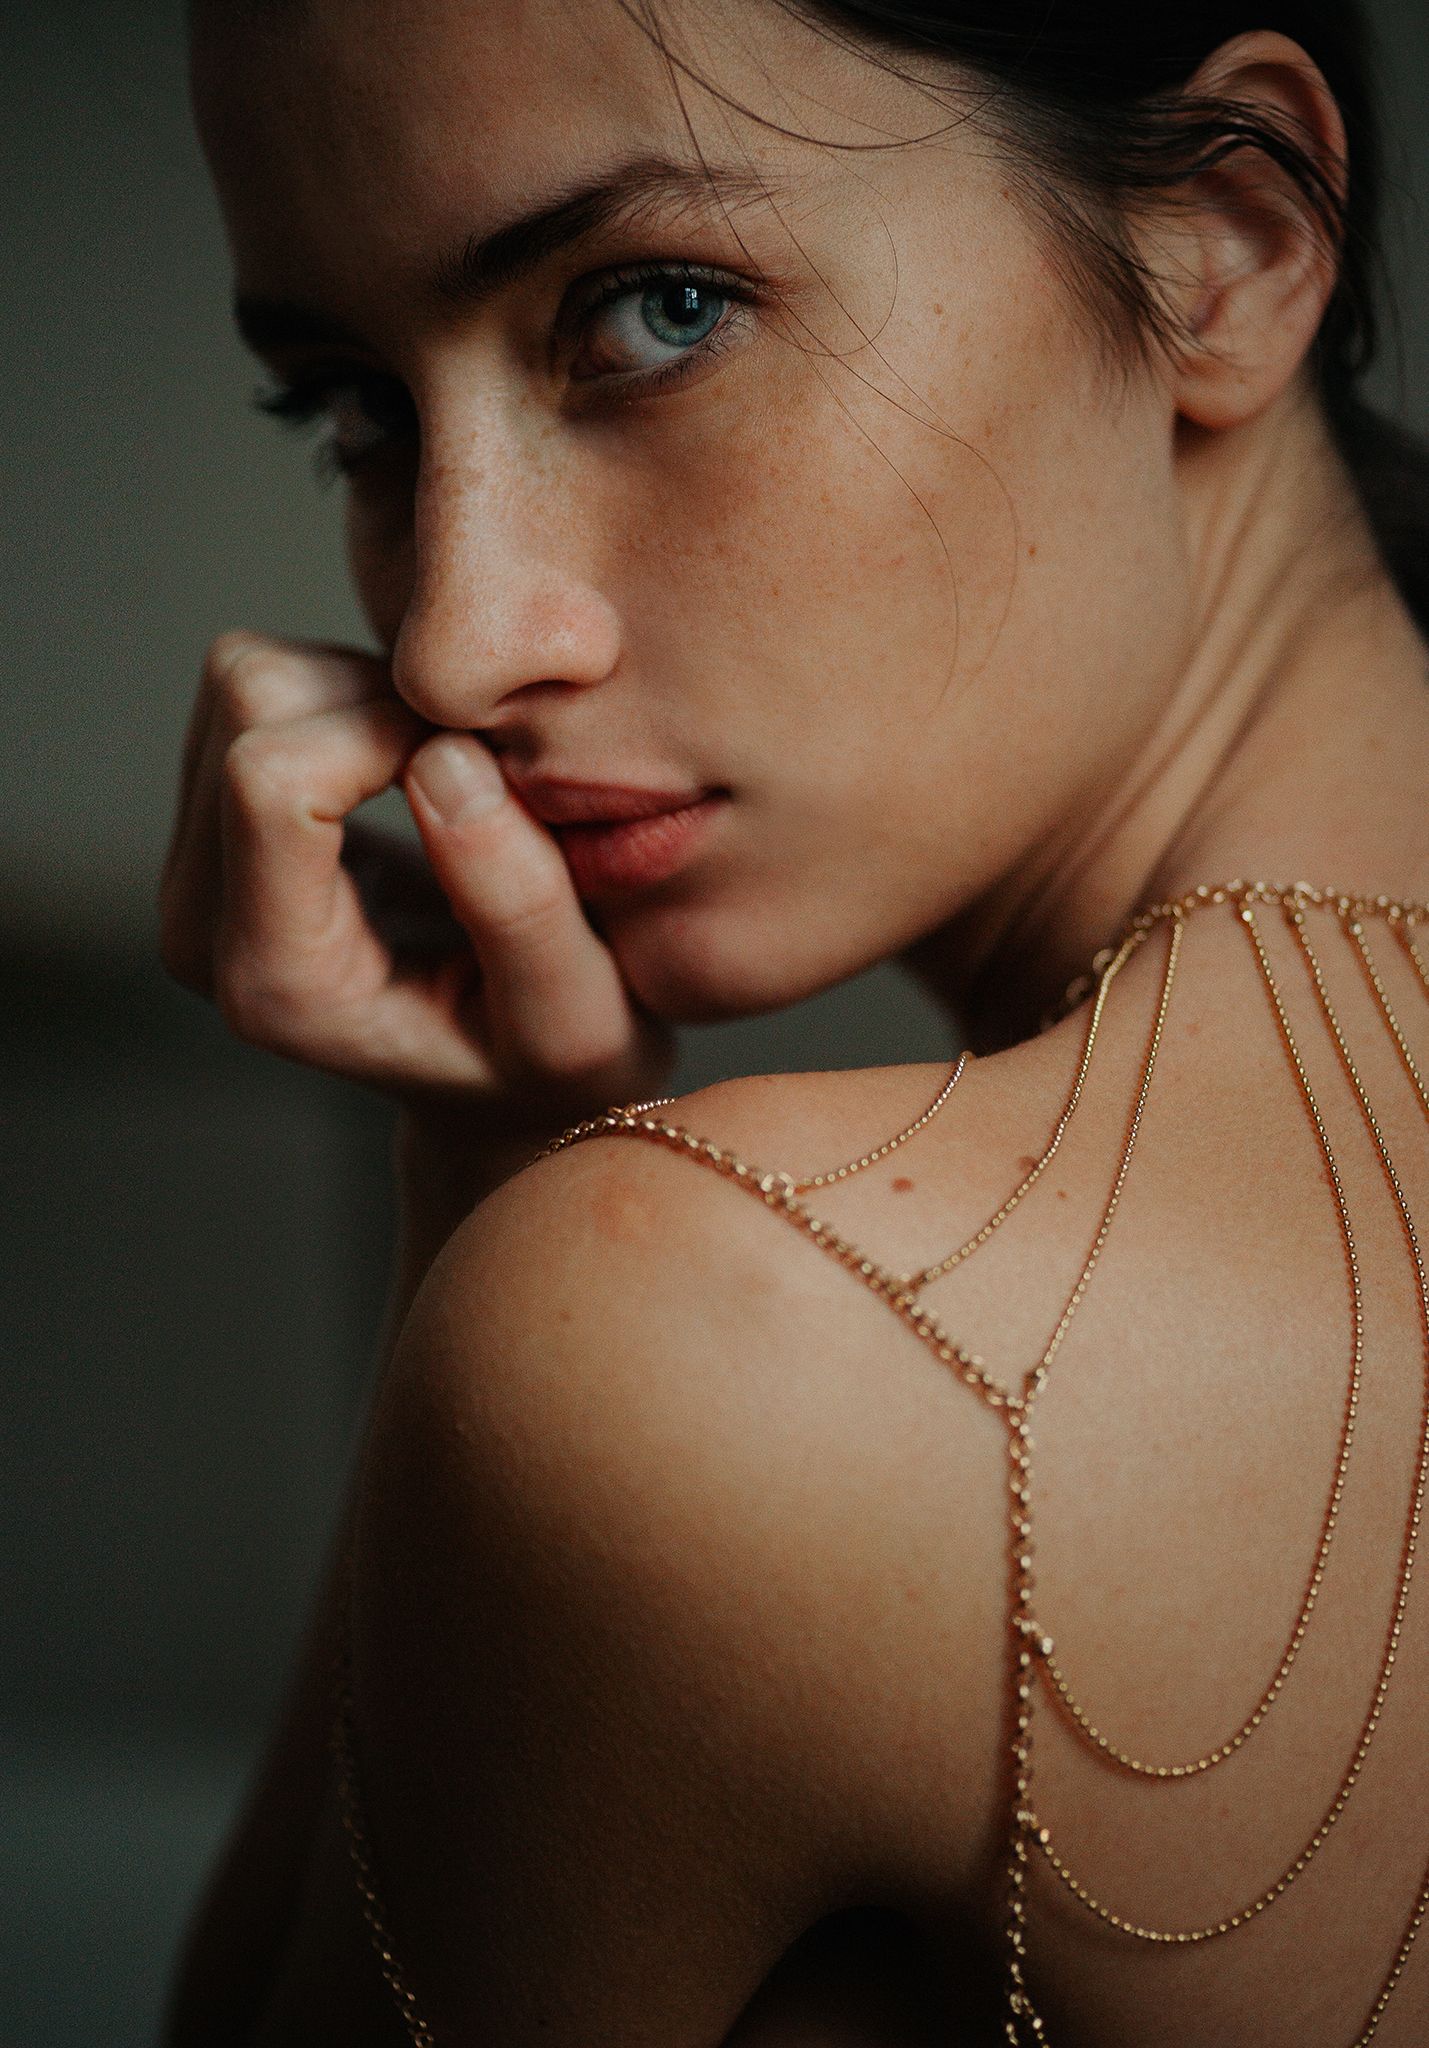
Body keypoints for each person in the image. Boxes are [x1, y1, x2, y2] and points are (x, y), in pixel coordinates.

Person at [159, 1, 1429, 2040]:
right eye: (358, 411)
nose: (457, 645)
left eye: (654, 310)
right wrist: (486, 1140)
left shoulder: (706, 1336)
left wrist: (503, 1218)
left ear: (1227, 242)